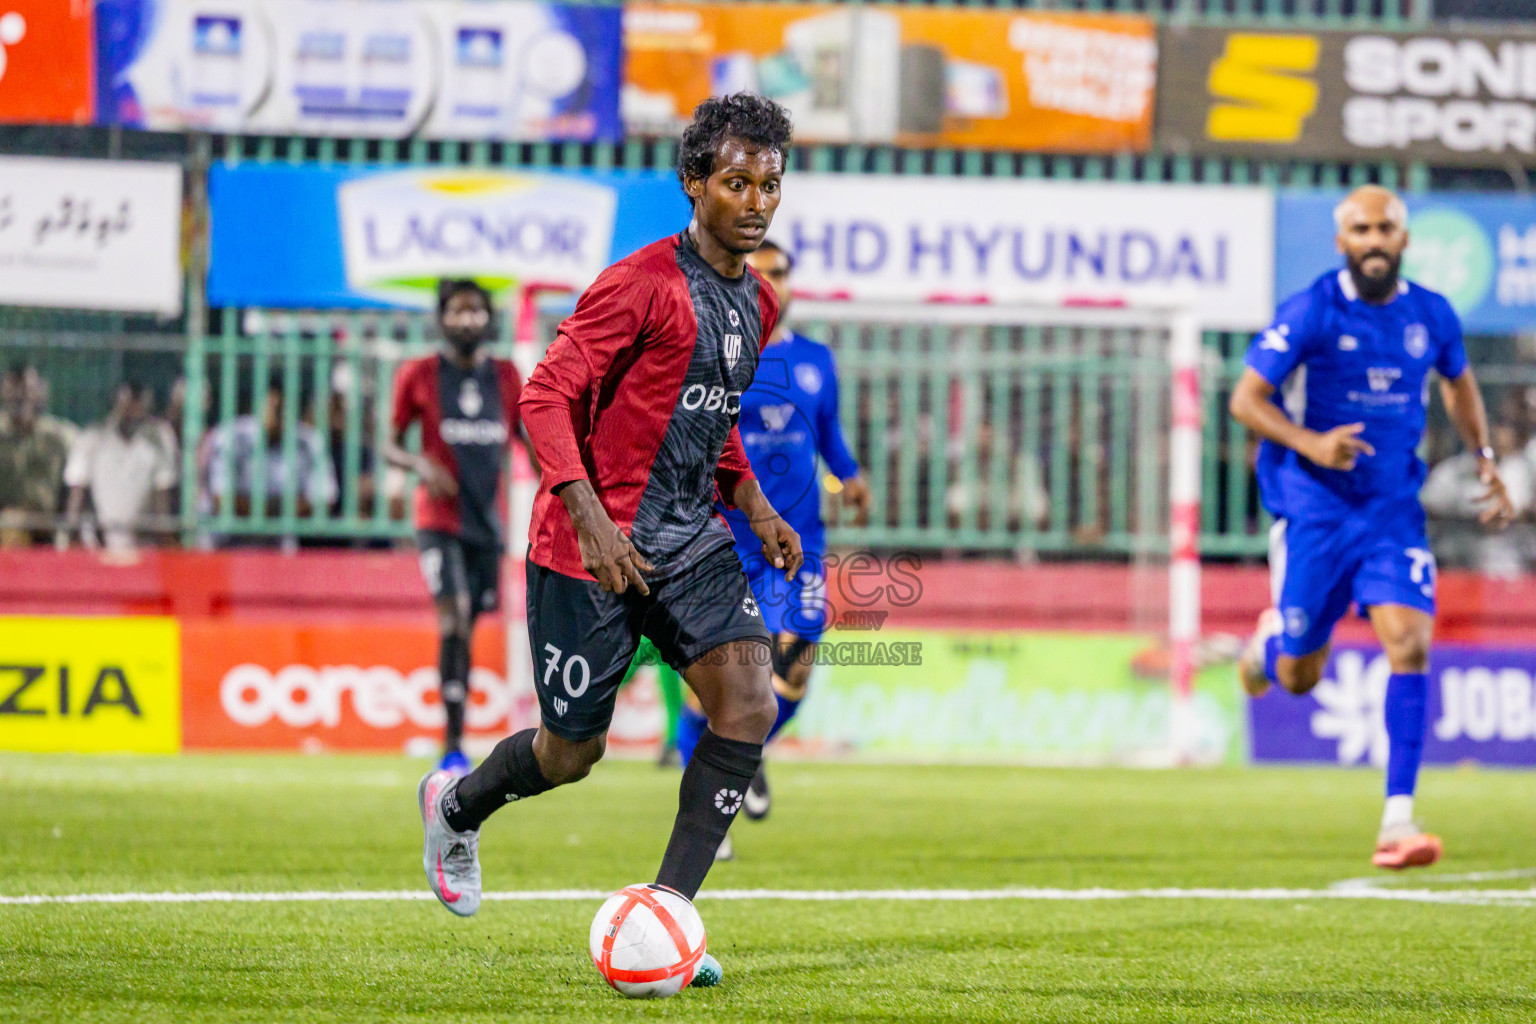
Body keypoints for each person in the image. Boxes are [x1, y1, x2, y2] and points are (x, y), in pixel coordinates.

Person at [416, 94, 799, 990]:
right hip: (585, 548)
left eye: (769, 185)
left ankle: (668, 921)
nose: (755, 202)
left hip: (690, 540)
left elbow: (710, 424)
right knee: (571, 754)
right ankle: (457, 806)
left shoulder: (760, 303)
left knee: (748, 703)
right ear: (694, 183)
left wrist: (755, 504)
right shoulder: (640, 285)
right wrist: (589, 519)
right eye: (736, 182)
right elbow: (544, 395)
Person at [1231, 185, 1516, 871]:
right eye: (1361, 230)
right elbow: (1246, 399)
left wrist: (1483, 456)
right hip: (1316, 511)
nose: (1374, 240)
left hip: (1390, 511)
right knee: (1300, 673)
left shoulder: (1431, 314)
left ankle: (1398, 820)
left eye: (1385, 228)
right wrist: (1311, 443)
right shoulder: (1312, 311)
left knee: (1409, 644)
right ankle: (1270, 646)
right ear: (1342, 242)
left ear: (1404, 239)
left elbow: (1457, 382)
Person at [672, 239, 869, 860]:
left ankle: (743, 753)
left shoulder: (815, 360)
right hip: (724, 536)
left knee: (799, 656)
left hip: (798, 538)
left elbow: (827, 430)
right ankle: (711, 805)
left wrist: (850, 474)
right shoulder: (716, 352)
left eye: (780, 272)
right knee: (717, 677)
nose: (772, 282)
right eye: (761, 272)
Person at [387, 280, 527, 775]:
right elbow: (388, 444)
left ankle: (455, 735)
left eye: (476, 311)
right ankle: (452, 744)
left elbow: (526, 440)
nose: (467, 320)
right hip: (438, 521)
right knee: (455, 620)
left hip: (487, 525)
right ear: (442, 319)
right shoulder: (420, 373)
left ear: (489, 319)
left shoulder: (507, 375)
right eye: (457, 311)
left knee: (471, 624)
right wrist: (420, 465)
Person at [203, 372, 337, 530]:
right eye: (273, 406)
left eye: (282, 407)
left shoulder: (309, 441)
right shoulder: (232, 437)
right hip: (227, 539)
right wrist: (278, 511)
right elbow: (220, 498)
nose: (276, 414)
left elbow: (325, 499)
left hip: (281, 540)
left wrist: (265, 513)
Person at [62, 380, 178, 553]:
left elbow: (162, 502)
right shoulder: (91, 438)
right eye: (128, 405)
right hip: (96, 545)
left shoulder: (159, 439)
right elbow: (76, 497)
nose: (133, 412)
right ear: (115, 405)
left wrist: (165, 548)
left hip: (143, 546)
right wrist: (74, 543)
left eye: (139, 406)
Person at [0, 363, 75, 548]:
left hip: (46, 532)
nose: (19, 397)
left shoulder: (59, 437)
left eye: (26, 390)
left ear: (39, 392)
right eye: (13, 390)